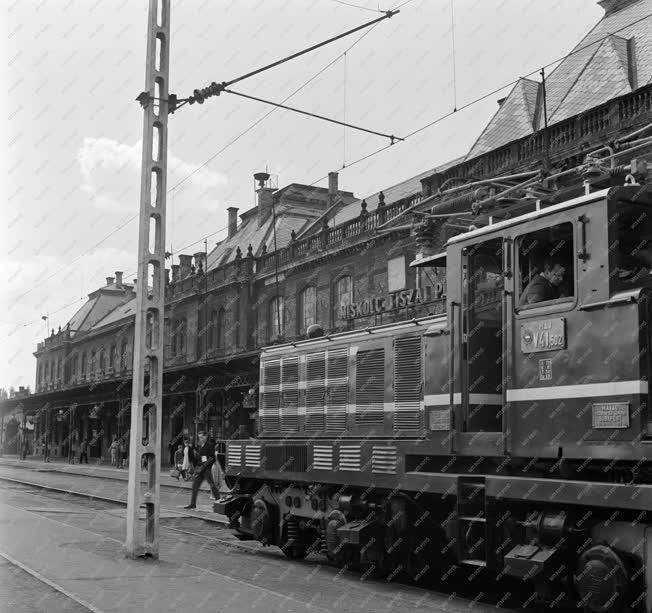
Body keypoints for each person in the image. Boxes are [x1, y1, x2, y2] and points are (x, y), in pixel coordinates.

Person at [184, 432, 220, 509]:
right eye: (199, 437)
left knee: (212, 485)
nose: (200, 439)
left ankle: (219, 502)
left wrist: (204, 465)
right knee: (195, 486)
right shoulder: (201, 446)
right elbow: (201, 458)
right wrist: (196, 457)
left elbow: (212, 458)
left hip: (206, 469)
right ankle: (193, 504)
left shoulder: (209, 445)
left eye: (201, 437)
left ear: (206, 437)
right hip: (200, 470)